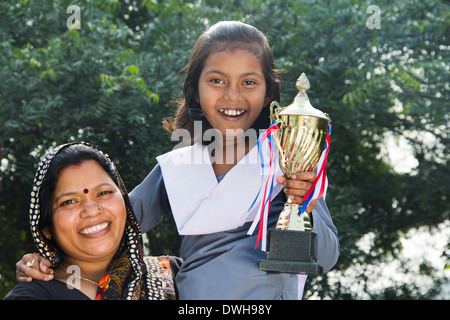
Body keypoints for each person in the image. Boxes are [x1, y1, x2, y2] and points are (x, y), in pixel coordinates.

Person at [16, 21, 339, 299]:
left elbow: (325, 258)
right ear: (195, 91)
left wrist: (305, 204)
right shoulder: (180, 164)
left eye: (249, 82)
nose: (232, 95)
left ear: (269, 94)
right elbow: (114, 224)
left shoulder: (286, 163)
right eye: (216, 80)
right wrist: (45, 260)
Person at [6, 142, 179, 300]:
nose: (91, 211)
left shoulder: (173, 273)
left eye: (104, 193)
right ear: (46, 228)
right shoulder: (32, 296)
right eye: (69, 201)